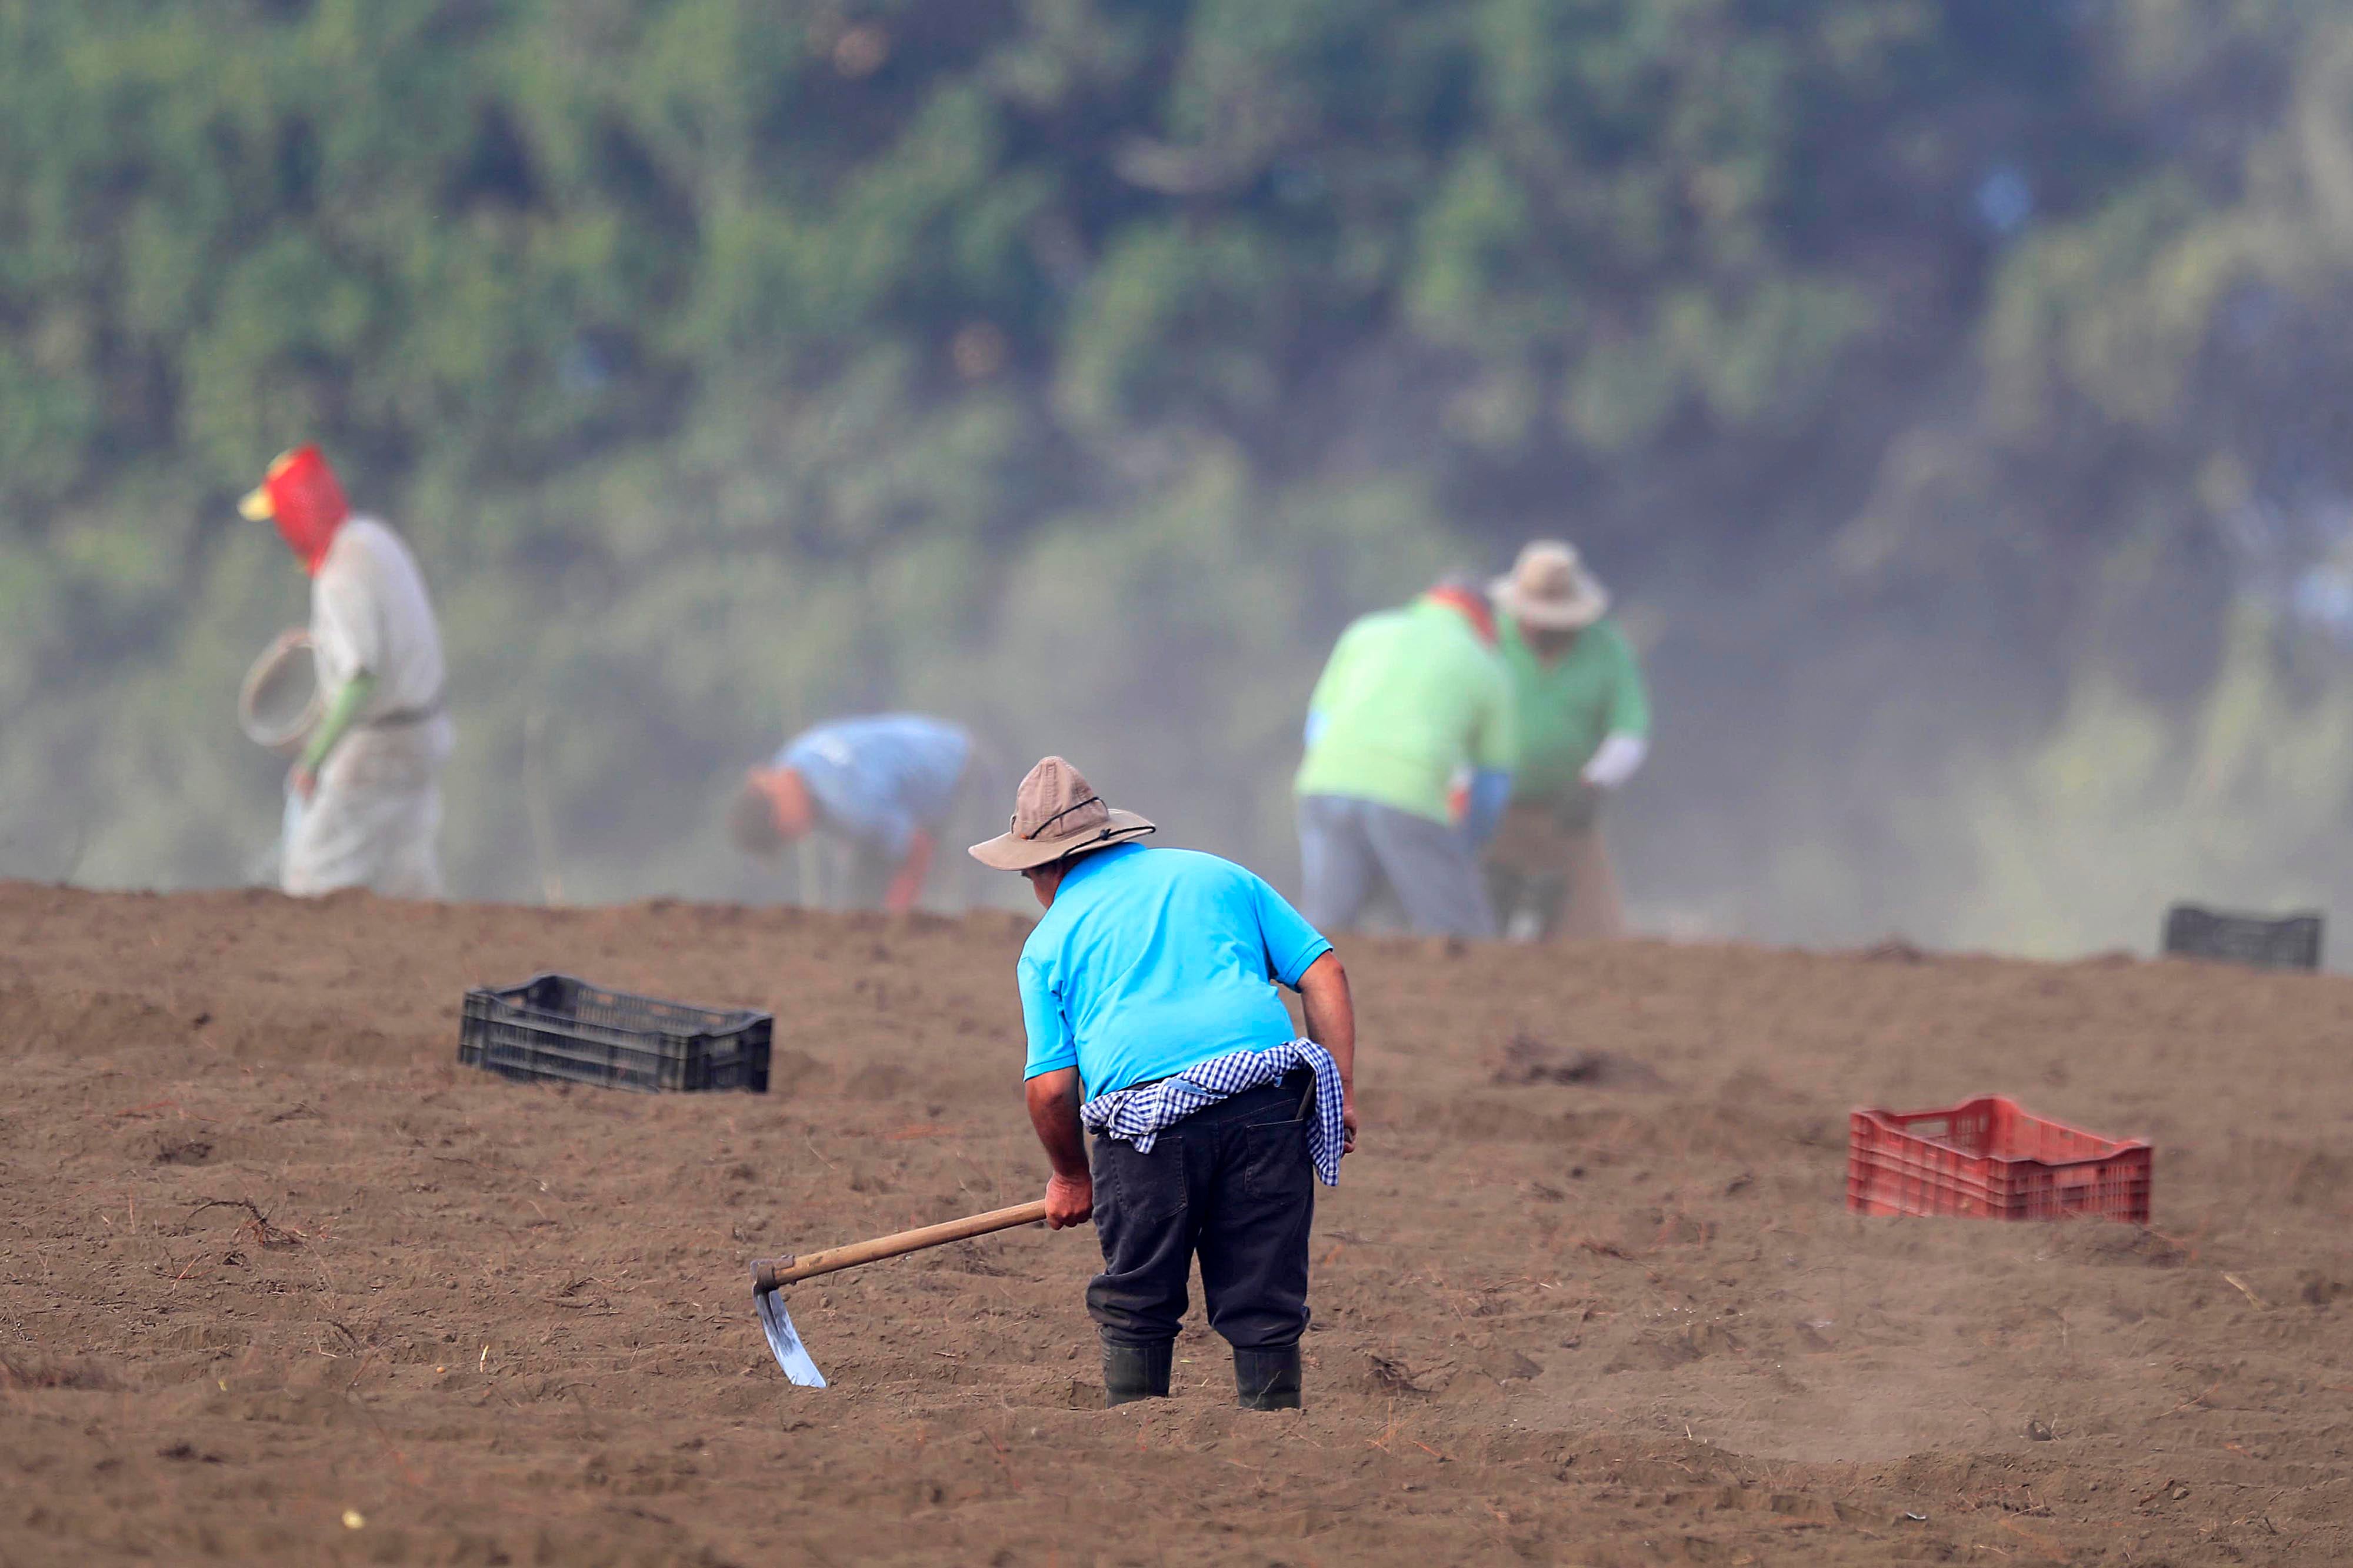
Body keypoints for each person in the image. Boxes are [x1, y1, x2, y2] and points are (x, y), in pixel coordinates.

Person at [971, 756, 1357, 1411]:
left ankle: (1139, 1434)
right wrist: (1338, 1094)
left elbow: (1051, 1089)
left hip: (1148, 1129)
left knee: (1139, 1296)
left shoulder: (1048, 941)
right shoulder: (1218, 874)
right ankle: (1273, 1436)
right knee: (1264, 1290)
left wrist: (1071, 1177)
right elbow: (1324, 970)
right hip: (1267, 1103)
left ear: (1043, 868)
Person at [240, 445, 451, 898]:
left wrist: (312, 760)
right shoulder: (373, 537)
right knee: (410, 883)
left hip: (381, 745)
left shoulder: (339, 575)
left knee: (312, 876)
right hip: (427, 730)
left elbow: (361, 679)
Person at [1293, 575, 1517, 938]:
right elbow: (1491, 784)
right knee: (1460, 934)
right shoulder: (1487, 666)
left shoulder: (1365, 632)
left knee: (1327, 929)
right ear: (1485, 621)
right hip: (1410, 794)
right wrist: (1466, 844)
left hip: (1324, 783)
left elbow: (1317, 726)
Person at [1485, 540, 1651, 939]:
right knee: (1477, 926)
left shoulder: (1605, 645)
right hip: (1492, 813)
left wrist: (1595, 783)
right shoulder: (1488, 638)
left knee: (1596, 930)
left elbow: (1630, 728)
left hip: (1567, 815)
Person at [730, 714, 984, 913]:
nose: (795, 838)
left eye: (784, 834)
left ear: (778, 808)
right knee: (861, 902)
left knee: (967, 891)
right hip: (921, 788)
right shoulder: (788, 763)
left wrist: (897, 922)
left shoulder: (850, 801)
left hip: (966, 777)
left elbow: (918, 848)